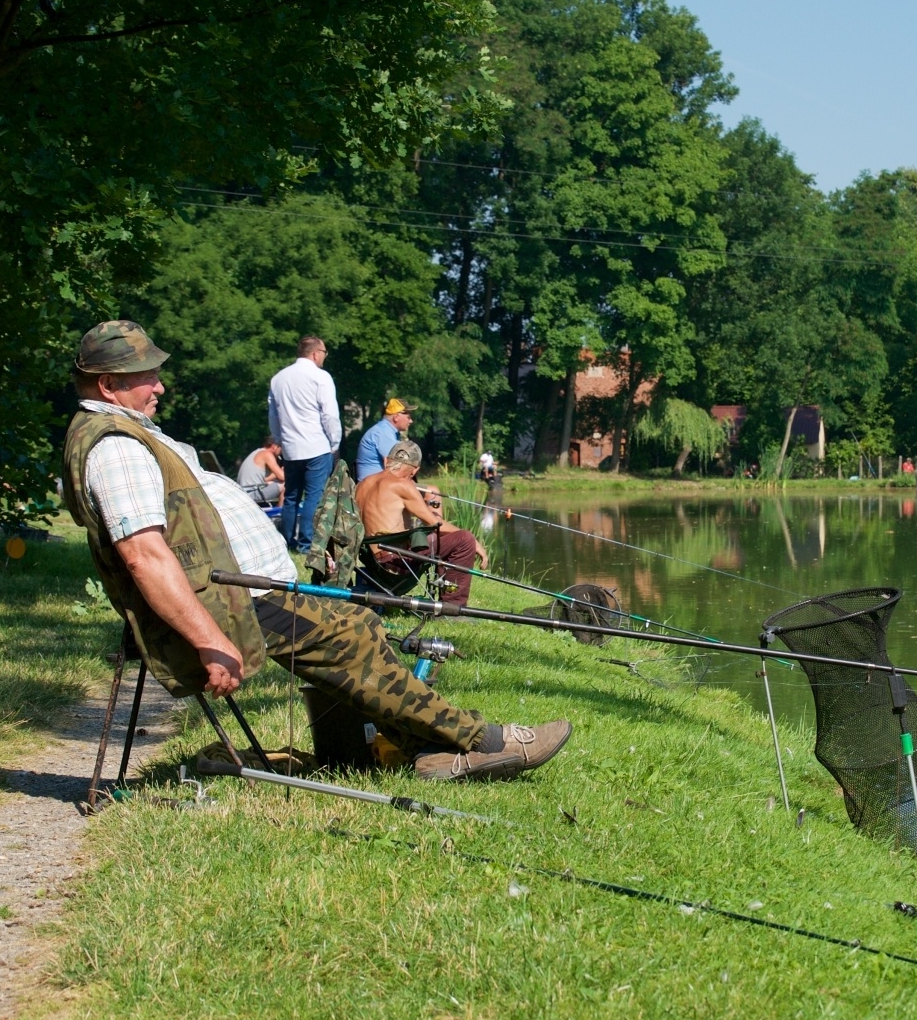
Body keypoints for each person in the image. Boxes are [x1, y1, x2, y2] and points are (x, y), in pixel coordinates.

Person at [61, 319, 570, 781]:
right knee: (350, 637)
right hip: (230, 608)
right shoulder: (115, 448)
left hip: (243, 594)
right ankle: (482, 741)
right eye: (148, 375)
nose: (160, 386)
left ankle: (396, 753)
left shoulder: (123, 434)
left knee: (361, 625)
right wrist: (209, 640)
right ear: (110, 384)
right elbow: (144, 556)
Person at [355, 441, 486, 607]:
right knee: (464, 539)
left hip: (371, 564)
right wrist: (474, 542)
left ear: (386, 460)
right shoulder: (403, 485)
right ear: (415, 469)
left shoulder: (362, 484)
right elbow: (435, 524)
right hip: (395, 566)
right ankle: (453, 606)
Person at [268, 337, 341, 552]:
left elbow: (273, 416)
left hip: (291, 447)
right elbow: (329, 414)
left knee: (291, 496)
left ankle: (288, 541)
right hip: (316, 445)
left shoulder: (278, 379)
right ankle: (306, 544)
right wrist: (334, 441)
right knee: (314, 496)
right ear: (316, 353)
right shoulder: (320, 377)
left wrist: (279, 439)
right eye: (325, 352)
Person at [356, 398, 415, 480]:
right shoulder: (382, 432)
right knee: (432, 491)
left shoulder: (387, 431)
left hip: (378, 483)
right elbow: (397, 466)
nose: (411, 421)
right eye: (408, 417)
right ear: (396, 417)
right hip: (373, 487)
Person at [237, 437, 284, 505]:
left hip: (245, 493)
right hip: (252, 493)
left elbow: (265, 479)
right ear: (274, 446)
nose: (281, 451)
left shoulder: (258, 452)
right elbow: (282, 477)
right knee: (287, 484)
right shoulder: (267, 454)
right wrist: (287, 471)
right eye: (281, 447)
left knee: (278, 482)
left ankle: (280, 510)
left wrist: (279, 472)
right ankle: (281, 512)